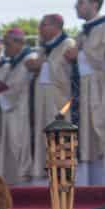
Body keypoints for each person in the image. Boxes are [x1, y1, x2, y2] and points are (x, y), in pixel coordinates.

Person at [27, 14, 74, 181]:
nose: (39, 28)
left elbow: (66, 72)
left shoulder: (67, 44)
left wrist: (43, 64)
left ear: (56, 26)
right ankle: (43, 172)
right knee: (43, 134)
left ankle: (61, 176)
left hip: (58, 99)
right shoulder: (42, 48)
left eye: (43, 24)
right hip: (42, 99)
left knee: (58, 135)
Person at [0, 27, 38, 184]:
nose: (4, 48)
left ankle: (22, 182)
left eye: (7, 44)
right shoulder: (11, 63)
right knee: (10, 148)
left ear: (20, 43)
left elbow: (18, 86)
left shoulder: (29, 59)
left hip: (22, 111)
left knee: (19, 146)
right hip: (11, 110)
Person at [77, 0, 105, 168]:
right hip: (84, 86)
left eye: (81, 3)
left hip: (100, 85)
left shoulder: (103, 27)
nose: (76, 7)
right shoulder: (82, 33)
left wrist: (81, 49)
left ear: (94, 5)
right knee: (89, 137)